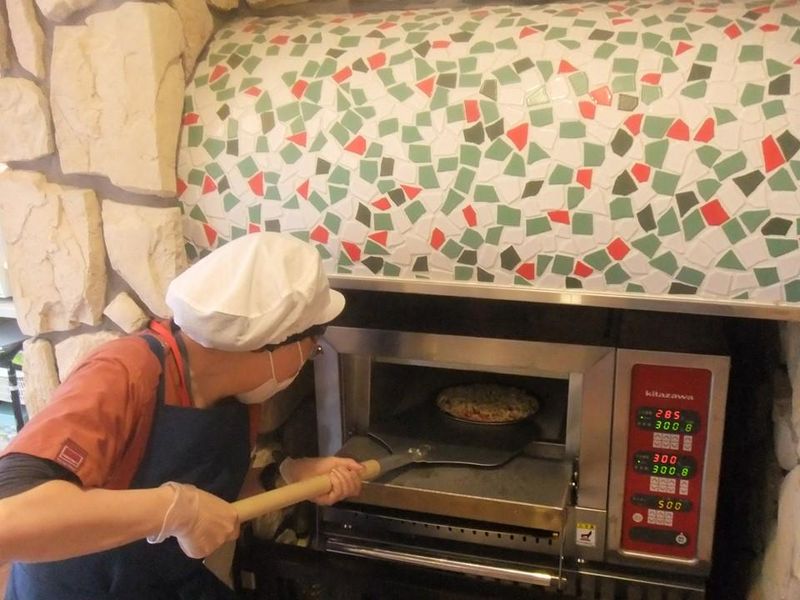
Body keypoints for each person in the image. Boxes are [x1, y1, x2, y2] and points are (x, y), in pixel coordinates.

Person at [0, 232, 365, 599]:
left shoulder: (239, 398)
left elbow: (213, 500)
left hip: (164, 584)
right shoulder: (124, 373)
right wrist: (175, 509)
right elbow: (9, 522)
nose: (307, 359)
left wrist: (286, 475)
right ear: (271, 341)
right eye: (312, 347)